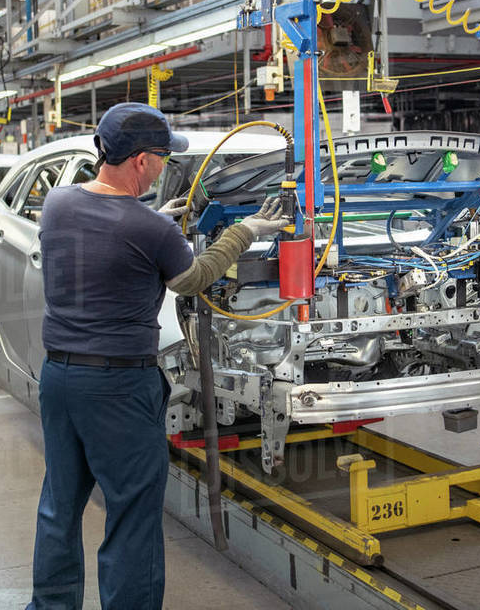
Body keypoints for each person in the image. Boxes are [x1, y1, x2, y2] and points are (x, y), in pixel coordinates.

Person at [28, 103, 289, 610]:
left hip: (59, 380)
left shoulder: (58, 203)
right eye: (164, 158)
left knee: (59, 505)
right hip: (118, 391)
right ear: (141, 161)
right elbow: (192, 277)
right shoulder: (150, 231)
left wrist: (149, 219)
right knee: (132, 514)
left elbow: (106, 229)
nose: (167, 166)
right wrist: (246, 233)